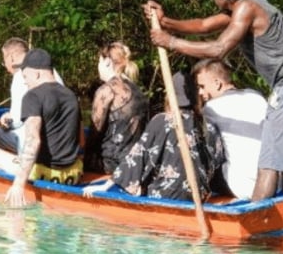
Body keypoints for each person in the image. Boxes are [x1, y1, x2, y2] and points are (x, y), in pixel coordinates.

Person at [145, 0, 283, 201]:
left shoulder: (247, 8)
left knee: (269, 162)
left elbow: (219, 49)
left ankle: (256, 225)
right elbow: (202, 25)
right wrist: (166, 21)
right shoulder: (246, 6)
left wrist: (170, 42)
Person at [0, 48, 83, 206]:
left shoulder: (32, 96)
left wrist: (18, 184)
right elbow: (80, 139)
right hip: (73, 174)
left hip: (45, 174)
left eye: (25, 76)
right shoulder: (70, 95)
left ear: (37, 73)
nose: (26, 82)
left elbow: (33, 141)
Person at [108, 70, 225, 201]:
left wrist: (108, 185)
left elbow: (137, 157)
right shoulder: (209, 125)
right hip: (199, 196)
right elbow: (216, 161)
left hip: (166, 195)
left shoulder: (161, 121)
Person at [193, 58, 268, 200]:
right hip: (270, 183)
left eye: (202, 86)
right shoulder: (255, 96)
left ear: (217, 83)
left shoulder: (211, 108)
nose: (201, 93)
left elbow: (207, 151)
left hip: (243, 187)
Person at [0, 36, 64, 153]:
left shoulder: (20, 76)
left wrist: (0, 124)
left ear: (11, 58)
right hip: (59, 139)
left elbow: (16, 122)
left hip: (38, 144)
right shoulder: (50, 71)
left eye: (4, 61)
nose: (6, 67)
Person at [85, 43, 150, 174]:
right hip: (136, 163)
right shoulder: (138, 90)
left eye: (99, 62)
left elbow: (94, 132)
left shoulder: (107, 90)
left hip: (110, 164)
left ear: (107, 62)